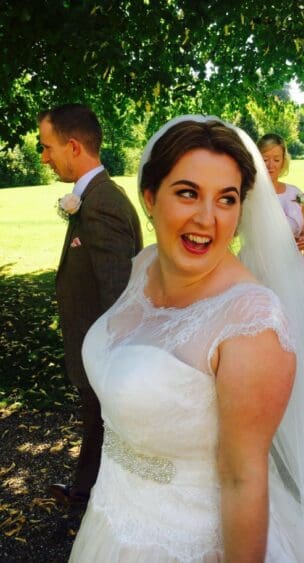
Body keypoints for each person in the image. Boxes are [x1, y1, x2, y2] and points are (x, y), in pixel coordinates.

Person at [69, 116, 304, 562]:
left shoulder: (252, 323)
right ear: (150, 198)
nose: (207, 219)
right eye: (188, 192)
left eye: (226, 199)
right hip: (113, 515)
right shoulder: (145, 264)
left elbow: (242, 480)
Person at [38, 103, 143, 506]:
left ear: (74, 146)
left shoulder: (101, 204)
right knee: (98, 421)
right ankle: (86, 491)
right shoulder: (95, 196)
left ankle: (105, 499)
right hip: (94, 345)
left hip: (104, 349)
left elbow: (118, 291)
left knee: (108, 422)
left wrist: (113, 360)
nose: (45, 157)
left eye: (48, 147)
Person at [258, 133, 304, 251]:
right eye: (265, 159)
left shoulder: (298, 194)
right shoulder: (249, 194)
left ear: (283, 161)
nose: (271, 165)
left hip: (292, 263)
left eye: (276, 159)